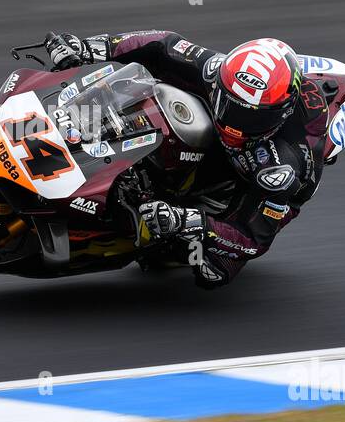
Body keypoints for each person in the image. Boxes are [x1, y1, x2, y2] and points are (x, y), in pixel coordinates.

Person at [45, 31, 330, 288]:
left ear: (280, 113)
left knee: (211, 270)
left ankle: (186, 219)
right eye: (228, 106)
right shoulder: (216, 71)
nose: (234, 124)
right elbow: (160, 44)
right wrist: (89, 48)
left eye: (250, 118)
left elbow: (253, 239)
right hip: (226, 139)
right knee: (157, 91)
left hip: (260, 180)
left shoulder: (284, 167)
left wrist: (189, 221)